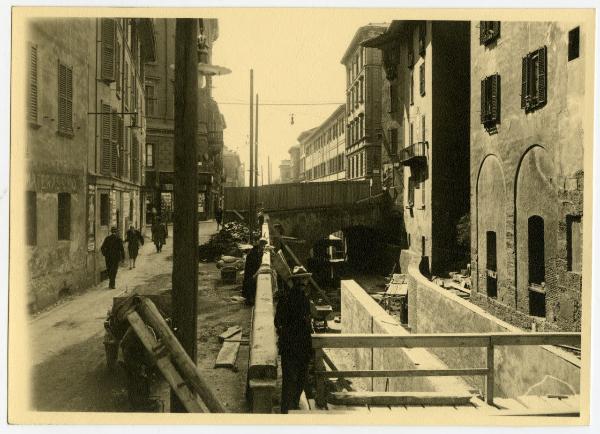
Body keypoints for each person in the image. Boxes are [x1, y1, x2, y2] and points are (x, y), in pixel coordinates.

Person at [274, 266, 313, 414]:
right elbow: (278, 321)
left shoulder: (304, 299)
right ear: (295, 281)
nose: (303, 282)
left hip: (299, 346)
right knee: (292, 381)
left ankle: (290, 408)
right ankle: (288, 410)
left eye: (305, 279)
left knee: (298, 380)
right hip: (293, 346)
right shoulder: (287, 299)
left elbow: (278, 323)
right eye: (300, 279)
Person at [242, 237, 268, 305]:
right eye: (263, 244)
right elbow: (255, 261)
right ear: (260, 244)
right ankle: (250, 299)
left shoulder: (258, 250)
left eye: (264, 245)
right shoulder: (253, 251)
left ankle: (250, 299)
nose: (263, 246)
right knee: (250, 283)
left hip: (252, 268)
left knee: (251, 284)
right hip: (251, 269)